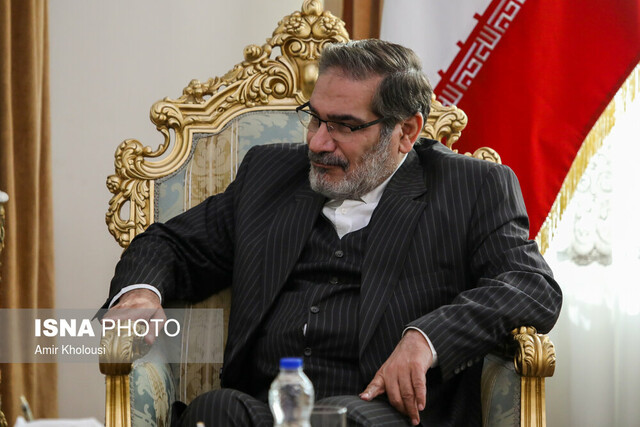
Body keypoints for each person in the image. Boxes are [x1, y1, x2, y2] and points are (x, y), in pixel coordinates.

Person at [103, 39, 562, 426]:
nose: (318, 142)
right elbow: (171, 244)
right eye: (316, 118)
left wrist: (427, 339)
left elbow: (532, 286)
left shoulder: (471, 187)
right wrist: (141, 294)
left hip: (379, 413)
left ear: (405, 132)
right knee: (214, 410)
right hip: (266, 408)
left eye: (344, 125)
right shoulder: (271, 174)